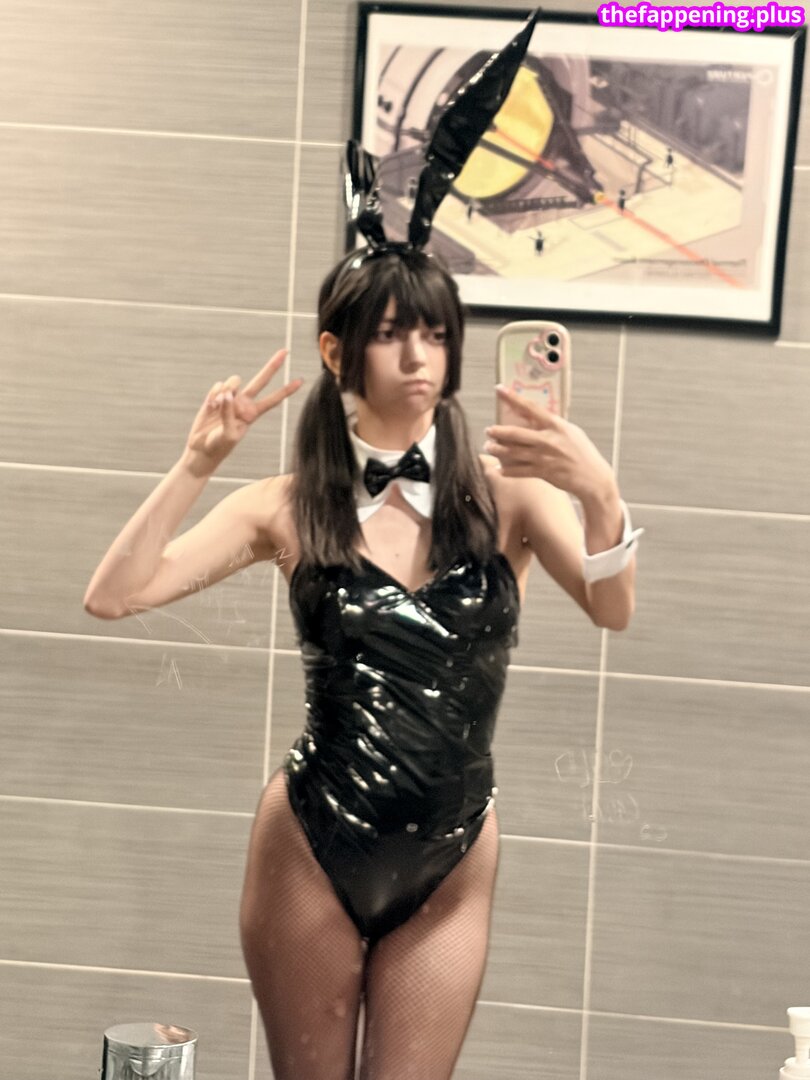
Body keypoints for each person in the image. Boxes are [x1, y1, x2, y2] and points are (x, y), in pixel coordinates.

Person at [84, 244, 640, 1080]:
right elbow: (115, 594)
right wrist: (199, 462)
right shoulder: (287, 505)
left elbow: (612, 608)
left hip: (453, 852)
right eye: (390, 334)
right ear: (336, 351)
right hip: (313, 841)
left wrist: (600, 494)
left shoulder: (511, 495)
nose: (419, 357)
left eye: (436, 335)